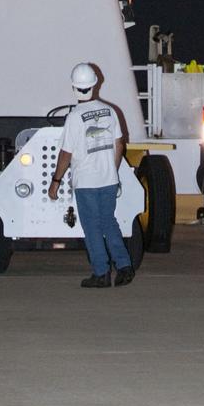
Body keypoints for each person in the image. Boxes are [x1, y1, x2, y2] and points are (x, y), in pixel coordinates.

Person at [48, 62, 134, 289]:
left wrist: (55, 182)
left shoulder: (75, 116)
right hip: (108, 179)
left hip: (86, 181)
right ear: (95, 84)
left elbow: (66, 153)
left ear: (74, 87)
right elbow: (119, 144)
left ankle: (101, 273)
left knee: (92, 227)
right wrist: (112, 171)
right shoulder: (110, 111)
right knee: (109, 222)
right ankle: (124, 267)